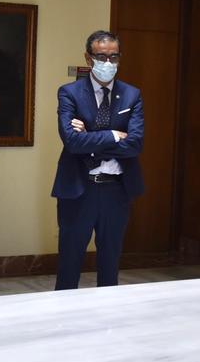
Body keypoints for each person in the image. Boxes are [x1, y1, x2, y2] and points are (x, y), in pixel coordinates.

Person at [51, 30, 144, 290]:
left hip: (116, 190)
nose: (108, 63)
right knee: (69, 264)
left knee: (110, 265)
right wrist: (114, 135)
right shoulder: (69, 93)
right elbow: (71, 141)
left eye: (114, 57)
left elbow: (135, 144)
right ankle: (64, 323)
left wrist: (91, 139)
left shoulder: (131, 95)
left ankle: (107, 324)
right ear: (88, 58)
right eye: (102, 56)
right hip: (78, 189)